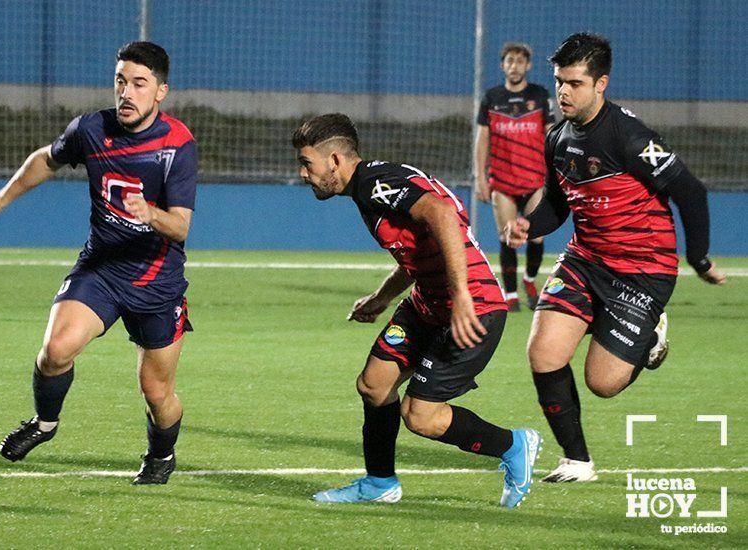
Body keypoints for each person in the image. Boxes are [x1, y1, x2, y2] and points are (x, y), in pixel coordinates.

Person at [0, 42, 198, 485]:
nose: (126, 93)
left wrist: (151, 213)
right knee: (55, 351)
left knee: (157, 392)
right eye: (120, 81)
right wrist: (1, 198)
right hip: (102, 270)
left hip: (156, 282)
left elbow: (181, 227)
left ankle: (161, 455)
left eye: (138, 83)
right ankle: (45, 424)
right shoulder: (91, 129)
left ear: (161, 91)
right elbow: (45, 159)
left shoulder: (178, 144)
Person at [505, 33, 727, 483]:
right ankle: (577, 461)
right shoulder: (557, 137)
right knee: (543, 352)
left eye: (574, 83)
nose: (563, 92)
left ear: (601, 83)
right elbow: (556, 201)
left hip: (643, 270)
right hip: (585, 259)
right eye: (558, 82)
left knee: (602, 384)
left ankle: (651, 333)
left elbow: (690, 192)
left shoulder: (629, 136)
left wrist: (699, 259)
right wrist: (531, 224)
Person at [292, 113, 541, 508]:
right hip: (429, 302)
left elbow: (441, 214)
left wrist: (461, 296)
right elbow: (416, 249)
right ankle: (379, 484)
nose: (304, 174)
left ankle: (514, 445)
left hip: (473, 308)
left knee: (421, 416)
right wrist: (381, 298)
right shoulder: (368, 185)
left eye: (308, 163)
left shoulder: (375, 183)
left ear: (335, 160)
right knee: (374, 385)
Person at [475, 42, 556, 311]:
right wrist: (479, 177)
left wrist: (557, 173)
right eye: (509, 61)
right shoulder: (491, 98)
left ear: (528, 65)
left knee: (537, 237)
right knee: (508, 236)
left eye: (519, 61)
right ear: (502, 65)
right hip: (503, 182)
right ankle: (510, 294)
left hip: (535, 180)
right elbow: (482, 139)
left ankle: (530, 280)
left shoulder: (541, 96)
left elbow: (552, 136)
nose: (514, 66)